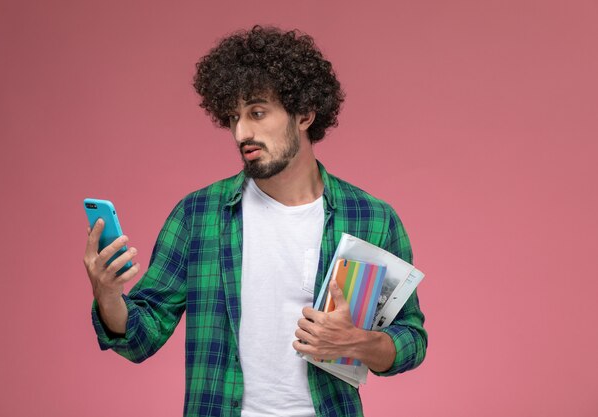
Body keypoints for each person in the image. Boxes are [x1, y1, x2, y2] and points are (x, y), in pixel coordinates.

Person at [84, 25, 427, 417]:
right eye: (233, 117)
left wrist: (357, 342)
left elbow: (410, 341)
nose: (241, 132)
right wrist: (108, 296)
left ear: (305, 113)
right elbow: (140, 338)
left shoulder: (371, 218)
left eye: (257, 113)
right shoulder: (198, 215)